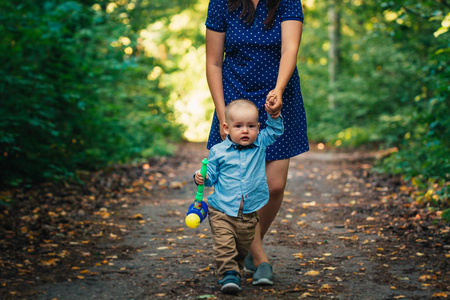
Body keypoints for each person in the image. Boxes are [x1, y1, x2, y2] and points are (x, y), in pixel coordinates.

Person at [204, 0, 309, 285]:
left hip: (276, 93)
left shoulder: (287, 1)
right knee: (237, 183)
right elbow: (213, 62)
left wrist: (279, 90)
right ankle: (259, 256)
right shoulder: (221, 4)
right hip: (235, 101)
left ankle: (244, 247)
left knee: (274, 186)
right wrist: (221, 108)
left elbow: (290, 48)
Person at [194, 99, 283, 294]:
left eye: (251, 126)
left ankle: (238, 266)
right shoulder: (219, 151)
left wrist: (274, 116)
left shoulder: (260, 143)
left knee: (242, 249)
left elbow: (276, 131)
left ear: (258, 128)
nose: (245, 131)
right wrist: (203, 177)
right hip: (222, 210)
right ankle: (228, 274)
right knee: (225, 245)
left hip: (249, 212)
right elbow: (211, 176)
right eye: (239, 126)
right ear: (226, 128)